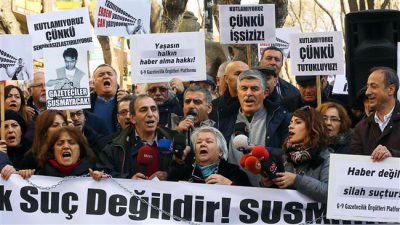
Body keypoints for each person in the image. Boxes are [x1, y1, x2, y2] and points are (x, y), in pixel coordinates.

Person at [219, 69, 291, 186]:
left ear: (265, 92)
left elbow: (289, 154)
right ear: (237, 92)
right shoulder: (223, 120)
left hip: (269, 193)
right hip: (232, 193)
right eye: (244, 88)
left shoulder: (282, 119)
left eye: (254, 89)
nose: (248, 93)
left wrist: (265, 152)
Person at [97, 94, 177, 180]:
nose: (150, 114)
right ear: (133, 118)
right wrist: (129, 180)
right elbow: (104, 173)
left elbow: (186, 174)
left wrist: (169, 174)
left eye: (153, 109)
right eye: (143, 110)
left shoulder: (174, 140)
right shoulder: (115, 147)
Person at [262, 106, 331, 203]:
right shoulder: (283, 156)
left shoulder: (326, 157)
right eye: (290, 122)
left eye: (298, 122)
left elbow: (329, 193)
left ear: (312, 127)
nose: (290, 126)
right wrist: (266, 184)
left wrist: (296, 180)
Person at [168, 126, 250, 186]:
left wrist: (230, 185)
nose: (203, 144)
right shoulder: (181, 172)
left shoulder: (234, 173)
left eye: (209, 141)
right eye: (199, 142)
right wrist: (177, 188)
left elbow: (250, 198)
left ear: (220, 151)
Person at [351, 67, 400, 159]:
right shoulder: (361, 128)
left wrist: (392, 154)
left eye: (373, 86)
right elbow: (354, 163)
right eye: (368, 86)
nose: (367, 92)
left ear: (391, 89)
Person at [18, 126, 103, 180]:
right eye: (60, 143)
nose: (66, 146)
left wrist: (101, 181)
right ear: (53, 150)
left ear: (80, 149)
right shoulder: (40, 175)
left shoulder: (93, 174)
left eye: (72, 143)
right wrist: (25, 175)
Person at [89, 64, 128, 135]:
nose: (106, 76)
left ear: (116, 80)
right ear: (93, 83)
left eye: (109, 74)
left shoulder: (128, 100)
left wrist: (128, 104)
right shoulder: (86, 104)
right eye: (101, 75)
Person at [0, 110, 30, 180]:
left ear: (21, 130)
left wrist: (29, 173)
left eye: (14, 125)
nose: (10, 130)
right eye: (5, 127)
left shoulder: (34, 153)